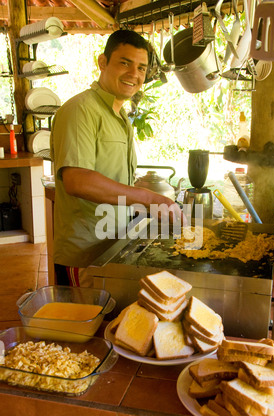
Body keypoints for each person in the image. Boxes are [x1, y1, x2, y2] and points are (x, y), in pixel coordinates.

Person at [50, 29, 184, 287]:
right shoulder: (80, 110)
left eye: (141, 68)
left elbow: (113, 182)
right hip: (84, 255)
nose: (134, 74)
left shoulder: (121, 116)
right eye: (125, 63)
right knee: (86, 324)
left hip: (112, 246)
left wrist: (145, 208)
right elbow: (78, 181)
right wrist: (150, 198)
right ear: (102, 62)